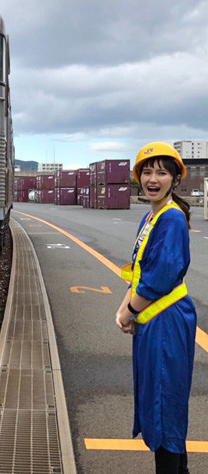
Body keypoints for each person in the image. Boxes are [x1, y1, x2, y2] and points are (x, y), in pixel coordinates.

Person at [115, 142, 197, 474]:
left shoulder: (172, 219)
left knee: (165, 406)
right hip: (153, 321)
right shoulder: (152, 216)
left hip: (167, 324)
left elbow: (159, 278)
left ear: (175, 179)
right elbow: (138, 273)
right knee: (161, 403)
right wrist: (124, 310)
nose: (153, 178)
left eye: (161, 172)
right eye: (147, 171)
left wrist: (128, 312)